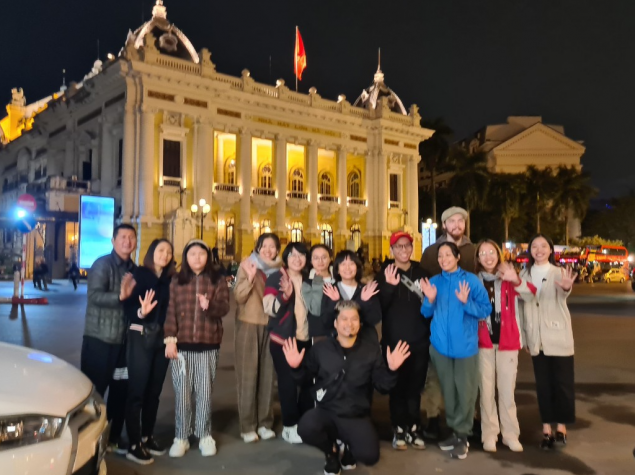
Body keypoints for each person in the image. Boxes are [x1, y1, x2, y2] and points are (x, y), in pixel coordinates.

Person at [284, 300, 411, 475]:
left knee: (369, 456)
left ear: (360, 324)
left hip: (356, 415)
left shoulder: (371, 351)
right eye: (344, 319)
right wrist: (296, 368)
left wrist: (391, 370)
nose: (349, 324)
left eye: (354, 319)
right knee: (305, 427)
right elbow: (305, 380)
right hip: (327, 411)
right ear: (335, 324)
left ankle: (350, 449)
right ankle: (331, 452)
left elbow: (383, 387)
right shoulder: (321, 349)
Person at [419, 242, 491, 459]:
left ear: (457, 257)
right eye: (440, 256)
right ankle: (454, 431)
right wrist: (430, 299)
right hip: (440, 348)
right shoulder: (434, 282)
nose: (443, 259)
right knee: (448, 392)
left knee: (466, 392)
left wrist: (466, 302)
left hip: (465, 348)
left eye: (448, 255)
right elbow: (425, 312)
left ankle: (463, 435)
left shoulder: (470, 281)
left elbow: (485, 309)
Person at [163, 239, 230, 458]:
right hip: (181, 347)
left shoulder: (217, 280)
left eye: (201, 254)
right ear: (186, 257)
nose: (197, 258)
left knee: (204, 393)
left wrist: (209, 306)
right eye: (192, 254)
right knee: (182, 394)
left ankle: (204, 434)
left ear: (207, 257)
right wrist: (170, 339)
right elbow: (170, 310)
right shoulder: (176, 281)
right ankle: (181, 436)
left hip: (208, 344)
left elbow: (224, 307)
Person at [419, 206, 476, 439]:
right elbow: (425, 286)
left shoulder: (474, 250)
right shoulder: (431, 251)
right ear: (444, 225)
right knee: (435, 375)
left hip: (467, 322)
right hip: (438, 319)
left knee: (467, 377)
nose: (456, 225)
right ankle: (432, 417)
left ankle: (468, 421)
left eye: (460, 221)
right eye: (451, 221)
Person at [474, 239, 536, 453]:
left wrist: (516, 279)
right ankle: (489, 434)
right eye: (483, 253)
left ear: (498, 254)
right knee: (486, 391)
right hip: (483, 343)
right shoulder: (474, 281)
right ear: (478, 258)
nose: (488, 256)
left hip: (508, 342)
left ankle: (510, 434)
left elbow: (531, 294)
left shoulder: (509, 278)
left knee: (507, 391)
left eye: (492, 251)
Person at [81, 223, 137, 453]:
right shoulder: (102, 264)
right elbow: (94, 296)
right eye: (122, 237)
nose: (127, 241)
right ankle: (88, 438)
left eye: (131, 237)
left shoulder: (134, 268)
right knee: (94, 391)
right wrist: (120, 296)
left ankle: (114, 436)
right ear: (113, 241)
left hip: (123, 343)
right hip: (100, 340)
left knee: (120, 391)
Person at [518, 234, 576, 450]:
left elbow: (563, 295)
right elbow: (522, 308)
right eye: (534, 246)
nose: (539, 249)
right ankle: (546, 430)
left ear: (551, 250)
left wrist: (566, 287)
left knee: (562, 384)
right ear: (530, 251)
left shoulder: (559, 273)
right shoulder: (523, 274)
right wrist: (524, 336)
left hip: (558, 337)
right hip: (536, 339)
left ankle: (561, 427)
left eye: (544, 246)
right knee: (543, 386)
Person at [122, 239, 175, 464]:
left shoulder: (169, 280)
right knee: (137, 390)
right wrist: (141, 312)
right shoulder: (140, 275)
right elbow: (127, 305)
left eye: (169, 252)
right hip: (140, 334)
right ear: (151, 252)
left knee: (154, 392)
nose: (165, 254)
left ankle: (147, 435)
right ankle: (133, 444)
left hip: (161, 339)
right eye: (160, 250)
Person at [376, 231, 430, 450]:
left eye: (407, 245)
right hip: (394, 341)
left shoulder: (422, 273)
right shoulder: (385, 273)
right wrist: (388, 286)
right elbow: (378, 307)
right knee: (396, 386)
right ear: (392, 250)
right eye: (398, 246)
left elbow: (429, 307)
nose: (403, 250)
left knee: (415, 387)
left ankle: (414, 426)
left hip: (419, 339)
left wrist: (431, 297)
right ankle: (398, 427)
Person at [234, 233, 282, 443]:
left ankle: (264, 422)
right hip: (249, 324)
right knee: (248, 375)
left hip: (272, 325)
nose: (268, 250)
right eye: (265, 246)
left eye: (273, 247)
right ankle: (247, 425)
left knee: (268, 377)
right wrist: (251, 278)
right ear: (258, 247)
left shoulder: (281, 270)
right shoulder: (247, 265)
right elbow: (239, 296)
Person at [263, 242, 312, 444]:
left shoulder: (309, 280)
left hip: (306, 339)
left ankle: (303, 421)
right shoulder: (276, 278)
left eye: (301, 255)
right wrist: (285, 296)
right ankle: (290, 426)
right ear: (286, 258)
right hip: (284, 340)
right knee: (288, 384)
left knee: (309, 383)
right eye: (293, 255)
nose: (297, 259)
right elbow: (269, 309)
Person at [321, 250, 381, 337]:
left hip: (364, 341)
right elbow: (326, 322)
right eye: (343, 264)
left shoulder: (367, 290)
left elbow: (374, 320)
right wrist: (335, 302)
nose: (347, 268)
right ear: (337, 269)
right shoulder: (331, 290)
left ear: (357, 268)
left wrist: (364, 302)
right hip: (338, 342)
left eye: (351, 264)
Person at [302, 244, 335, 342]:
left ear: (330, 258)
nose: (320, 261)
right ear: (311, 261)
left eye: (324, 257)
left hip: (341, 330)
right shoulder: (307, 283)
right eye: (316, 258)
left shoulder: (338, 279)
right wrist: (317, 283)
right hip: (319, 332)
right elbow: (315, 310)